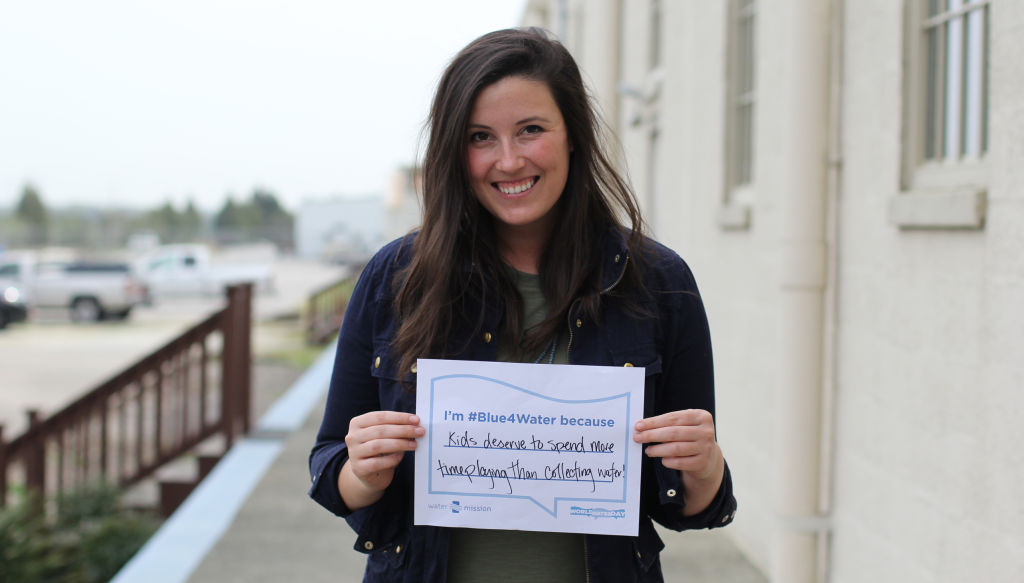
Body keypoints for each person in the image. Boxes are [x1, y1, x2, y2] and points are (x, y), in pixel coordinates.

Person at [308, 27, 736, 583]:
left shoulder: (657, 282)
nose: (507, 161)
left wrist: (704, 467)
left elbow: (690, 505)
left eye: (530, 130)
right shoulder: (397, 278)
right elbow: (329, 469)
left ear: (573, 135)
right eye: (480, 137)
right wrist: (362, 472)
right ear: (453, 151)